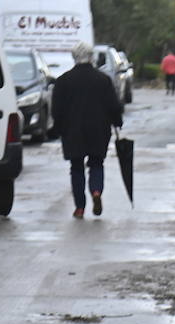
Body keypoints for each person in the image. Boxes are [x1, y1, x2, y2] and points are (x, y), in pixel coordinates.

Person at [52, 41, 123, 219]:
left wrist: (58, 128)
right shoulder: (103, 80)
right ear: (91, 57)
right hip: (99, 130)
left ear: (74, 57)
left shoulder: (63, 81)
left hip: (72, 130)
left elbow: (56, 110)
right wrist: (117, 121)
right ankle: (96, 191)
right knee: (97, 163)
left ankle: (80, 207)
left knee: (76, 167)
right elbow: (113, 105)